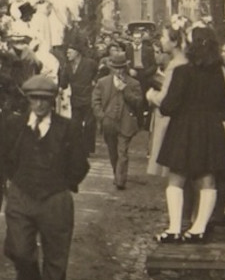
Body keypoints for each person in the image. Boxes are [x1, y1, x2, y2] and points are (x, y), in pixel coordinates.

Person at [2, 74, 90, 280]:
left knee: (55, 260)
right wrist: (17, 183)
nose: (39, 105)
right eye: (34, 99)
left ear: (52, 101)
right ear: (27, 100)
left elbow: (79, 165)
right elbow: (4, 157)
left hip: (55, 198)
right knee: (19, 249)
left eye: (45, 100)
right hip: (22, 195)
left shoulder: (69, 128)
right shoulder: (14, 125)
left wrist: (62, 186)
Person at [155, 25, 225, 243]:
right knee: (207, 179)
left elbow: (168, 106)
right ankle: (198, 228)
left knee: (176, 179)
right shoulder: (220, 73)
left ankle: (174, 229)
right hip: (211, 130)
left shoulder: (182, 72)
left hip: (184, 129)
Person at [92, 42, 144, 190]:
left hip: (126, 122)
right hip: (108, 122)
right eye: (116, 68)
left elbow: (139, 103)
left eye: (121, 68)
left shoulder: (133, 83)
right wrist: (101, 116)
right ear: (111, 68)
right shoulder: (103, 83)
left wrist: (125, 91)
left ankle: (121, 180)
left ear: (125, 68)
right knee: (112, 151)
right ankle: (117, 173)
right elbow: (95, 101)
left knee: (123, 152)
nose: (119, 71)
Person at [146, 23, 188, 176]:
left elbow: (166, 98)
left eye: (164, 37)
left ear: (175, 42)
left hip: (172, 120)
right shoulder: (184, 62)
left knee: (176, 172)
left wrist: (151, 95)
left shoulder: (174, 65)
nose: (162, 40)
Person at [62, 39, 99, 153]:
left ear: (77, 52)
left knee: (89, 125)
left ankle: (88, 148)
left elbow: (98, 74)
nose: (68, 55)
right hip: (76, 99)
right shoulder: (67, 66)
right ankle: (77, 148)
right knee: (75, 125)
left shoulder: (90, 63)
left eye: (70, 52)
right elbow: (63, 83)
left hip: (89, 98)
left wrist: (95, 83)